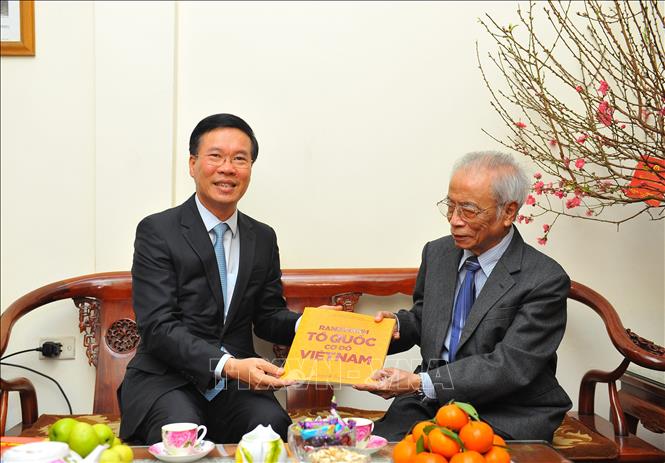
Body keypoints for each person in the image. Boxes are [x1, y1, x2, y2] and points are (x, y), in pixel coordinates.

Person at [118, 113, 335, 445]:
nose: (227, 168)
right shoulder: (157, 231)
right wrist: (229, 365)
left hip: (236, 387)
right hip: (167, 379)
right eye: (215, 156)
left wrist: (309, 324)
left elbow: (267, 316)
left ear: (249, 169)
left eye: (240, 159)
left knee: (273, 427)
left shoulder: (261, 237)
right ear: (193, 164)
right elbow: (158, 327)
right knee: (182, 433)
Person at [355, 151, 572, 442]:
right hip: (430, 401)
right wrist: (396, 326)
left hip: (506, 409)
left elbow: (510, 365)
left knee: (452, 452)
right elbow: (425, 317)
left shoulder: (545, 279)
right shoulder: (438, 253)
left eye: (468, 210)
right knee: (380, 449)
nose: (454, 221)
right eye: (450, 206)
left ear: (508, 212)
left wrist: (419, 382)